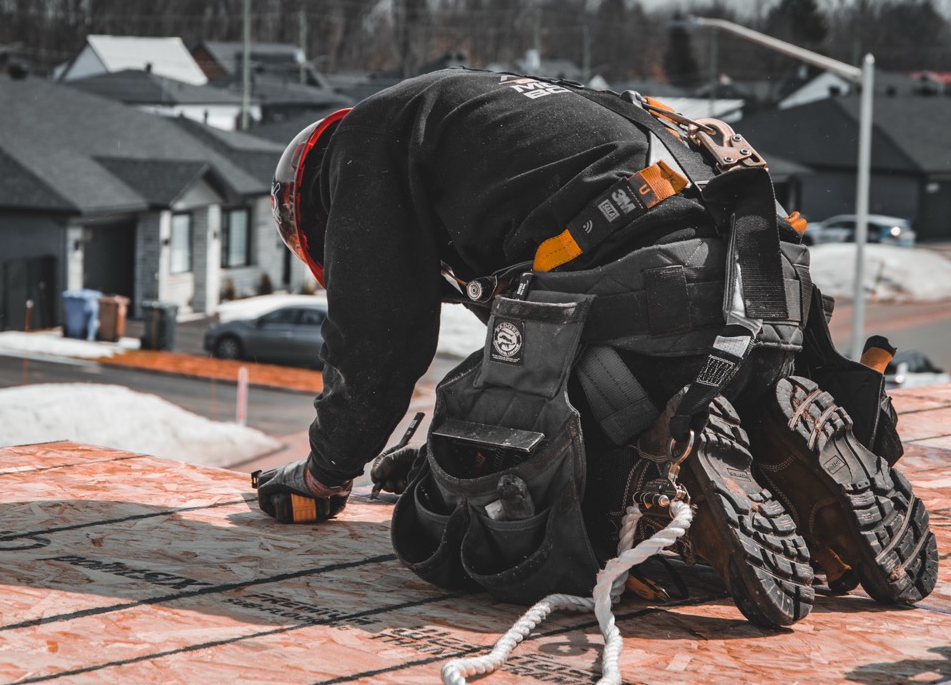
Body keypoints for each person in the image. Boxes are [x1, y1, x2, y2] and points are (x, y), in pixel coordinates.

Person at [252, 68, 937, 627]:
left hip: (654, 300)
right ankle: (759, 428)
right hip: (767, 287)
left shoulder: (365, 142)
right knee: (584, 377)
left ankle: (653, 498)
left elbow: (374, 344)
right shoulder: (500, 107)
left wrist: (325, 473)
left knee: (458, 526)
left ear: (309, 209)